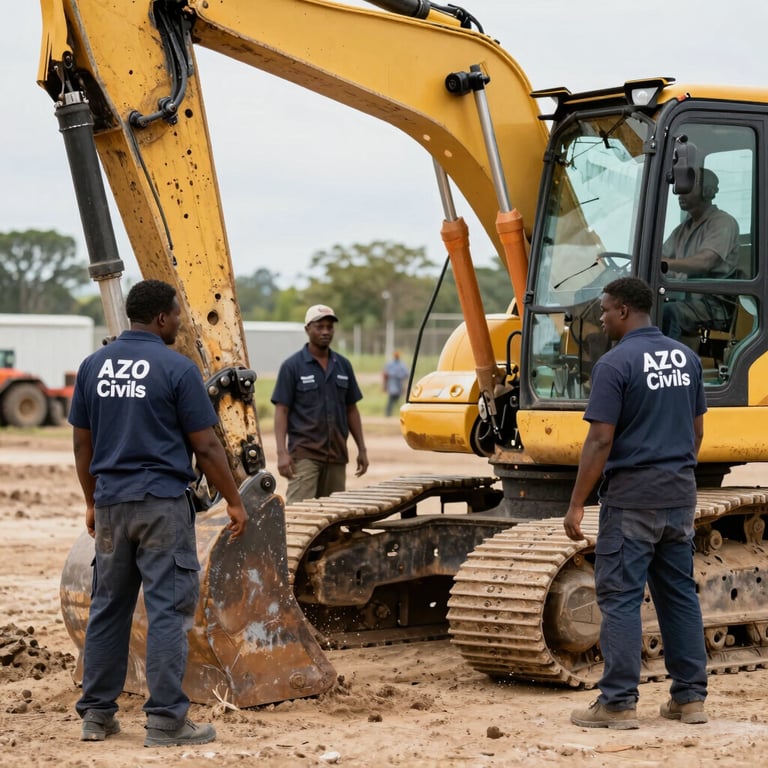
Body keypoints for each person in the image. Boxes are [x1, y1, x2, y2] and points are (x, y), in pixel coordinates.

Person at [68, 279, 247, 747]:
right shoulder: (177, 368)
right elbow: (206, 445)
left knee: (108, 607)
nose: (182, 324)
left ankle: (97, 717)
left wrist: (91, 501)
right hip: (161, 506)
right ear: (162, 318)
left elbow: (82, 443)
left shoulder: (93, 367)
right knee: (167, 609)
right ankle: (167, 721)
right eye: (178, 317)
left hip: (110, 504)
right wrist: (234, 499)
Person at [563, 277, 708, 730]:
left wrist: (576, 504)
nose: (601, 317)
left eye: (605, 309)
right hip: (679, 496)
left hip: (631, 502)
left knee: (621, 598)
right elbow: (697, 430)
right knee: (679, 595)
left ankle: (618, 703)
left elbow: (600, 438)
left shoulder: (614, 363)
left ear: (624, 310)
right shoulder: (686, 359)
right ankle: (689, 700)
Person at [271, 304, 369, 504]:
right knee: (299, 514)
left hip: (337, 455)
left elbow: (351, 409)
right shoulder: (292, 366)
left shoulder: (343, 365)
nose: (325, 332)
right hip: (305, 454)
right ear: (307, 329)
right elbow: (281, 410)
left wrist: (362, 449)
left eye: (329, 327)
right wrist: (282, 453)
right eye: (320, 327)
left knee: (333, 517)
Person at [661, 168, 740, 340]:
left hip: (712, 304)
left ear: (708, 191)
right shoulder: (683, 229)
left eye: (687, 186)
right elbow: (659, 256)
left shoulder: (722, 222)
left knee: (665, 313)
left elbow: (705, 262)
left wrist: (665, 264)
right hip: (683, 298)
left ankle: (665, 364)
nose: (680, 192)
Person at [382, 350, 409, 417]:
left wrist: (404, 386)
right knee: (391, 400)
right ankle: (388, 414)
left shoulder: (402, 365)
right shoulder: (390, 364)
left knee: (397, 400)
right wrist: (384, 385)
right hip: (392, 385)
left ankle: (401, 413)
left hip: (399, 385)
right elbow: (385, 375)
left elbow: (406, 374)